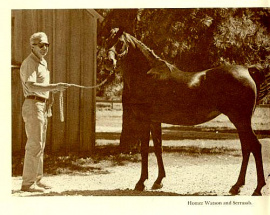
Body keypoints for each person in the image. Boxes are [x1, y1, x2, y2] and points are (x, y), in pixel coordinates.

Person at [20, 32, 69, 192]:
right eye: (41, 45)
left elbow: (41, 86)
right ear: (32, 46)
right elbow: (32, 86)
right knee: (34, 144)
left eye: (47, 45)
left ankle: (37, 180)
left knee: (40, 144)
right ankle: (28, 183)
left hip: (41, 105)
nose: (44, 48)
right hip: (33, 104)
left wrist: (50, 96)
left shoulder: (42, 62)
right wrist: (55, 87)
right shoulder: (30, 63)